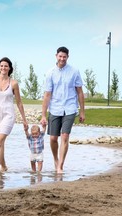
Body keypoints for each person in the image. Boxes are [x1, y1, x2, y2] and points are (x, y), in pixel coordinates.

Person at [40, 46, 85, 174]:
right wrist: (44, 115)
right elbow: (47, 95)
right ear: (56, 56)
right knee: (53, 138)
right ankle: (56, 159)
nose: (62, 59)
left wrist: (82, 111)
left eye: (64, 57)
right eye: (60, 56)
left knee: (65, 136)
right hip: (55, 108)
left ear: (67, 57)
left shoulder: (74, 71)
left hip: (70, 108)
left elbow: (80, 92)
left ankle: (60, 166)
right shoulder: (50, 73)